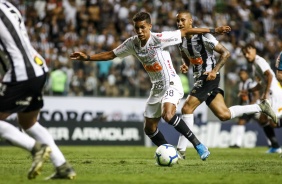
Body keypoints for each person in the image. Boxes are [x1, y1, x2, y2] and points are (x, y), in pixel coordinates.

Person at [70, 11, 232, 161]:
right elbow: (111, 54)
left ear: (149, 26)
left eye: (142, 27)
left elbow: (185, 32)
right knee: (149, 128)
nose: (139, 31)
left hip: (171, 83)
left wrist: (213, 30)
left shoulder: (159, 38)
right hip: (157, 88)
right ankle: (169, 152)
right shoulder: (132, 43)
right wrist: (88, 57)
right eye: (137, 28)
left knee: (168, 115)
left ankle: (198, 145)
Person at [174, 11, 278, 159]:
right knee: (224, 115)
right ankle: (260, 107)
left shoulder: (204, 36)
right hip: (201, 78)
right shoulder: (181, 40)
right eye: (177, 21)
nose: (179, 23)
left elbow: (226, 53)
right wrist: (185, 64)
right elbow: (187, 56)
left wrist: (214, 71)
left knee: (186, 108)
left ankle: (180, 152)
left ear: (191, 21)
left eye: (182, 20)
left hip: (208, 77)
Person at [0, 0, 76, 180]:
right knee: (28, 122)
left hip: (21, 72)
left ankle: (36, 149)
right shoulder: (7, 5)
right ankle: (62, 166)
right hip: (38, 68)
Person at [241, 43, 282, 153]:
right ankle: (275, 146)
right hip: (271, 93)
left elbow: (270, 75)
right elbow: (261, 83)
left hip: (274, 93)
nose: (247, 55)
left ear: (254, 50)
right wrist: (249, 90)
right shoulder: (254, 65)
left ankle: (275, 146)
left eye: (248, 52)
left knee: (274, 123)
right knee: (262, 119)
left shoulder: (259, 61)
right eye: (244, 54)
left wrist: (266, 93)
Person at [229, 67, 260, 148]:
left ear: (247, 74)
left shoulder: (251, 83)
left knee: (264, 123)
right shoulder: (241, 84)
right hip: (247, 108)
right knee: (241, 122)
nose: (241, 76)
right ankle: (237, 144)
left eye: (243, 74)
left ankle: (272, 143)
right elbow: (242, 99)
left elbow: (256, 96)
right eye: (240, 74)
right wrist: (240, 110)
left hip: (256, 107)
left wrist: (250, 106)